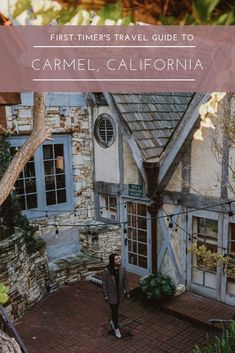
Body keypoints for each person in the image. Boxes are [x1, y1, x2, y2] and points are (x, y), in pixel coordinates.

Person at [103, 253, 130, 338]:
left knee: (116, 309)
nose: (119, 260)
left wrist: (128, 291)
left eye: (119, 258)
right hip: (112, 295)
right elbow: (104, 284)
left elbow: (125, 281)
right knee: (114, 311)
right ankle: (116, 328)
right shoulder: (107, 270)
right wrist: (105, 294)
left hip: (119, 293)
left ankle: (113, 322)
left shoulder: (122, 269)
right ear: (112, 261)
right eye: (116, 259)